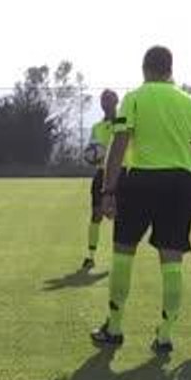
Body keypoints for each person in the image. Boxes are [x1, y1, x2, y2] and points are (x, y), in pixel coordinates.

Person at [91, 46, 191, 354]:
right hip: (180, 183)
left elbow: (119, 145)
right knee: (172, 261)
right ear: (170, 69)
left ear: (144, 68)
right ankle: (165, 335)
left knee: (123, 254)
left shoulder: (134, 97)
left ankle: (114, 328)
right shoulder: (189, 102)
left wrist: (108, 191)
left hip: (140, 181)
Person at [82, 90, 119, 270]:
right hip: (100, 174)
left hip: (121, 174)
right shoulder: (96, 127)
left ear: (116, 101)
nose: (105, 103)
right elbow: (91, 151)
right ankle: (90, 256)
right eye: (103, 100)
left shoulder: (123, 124)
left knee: (119, 217)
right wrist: (92, 156)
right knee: (96, 214)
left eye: (109, 100)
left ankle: (119, 256)